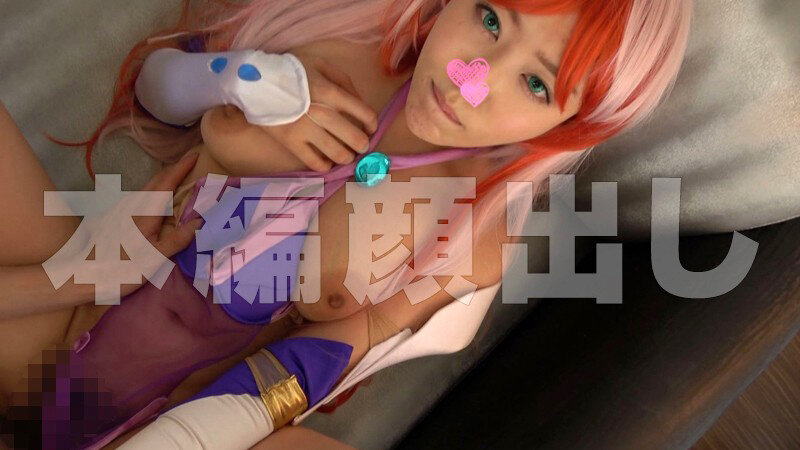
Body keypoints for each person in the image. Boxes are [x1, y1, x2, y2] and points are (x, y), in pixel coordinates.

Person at [0, 0, 693, 447]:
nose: (471, 78)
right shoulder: (343, 54)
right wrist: (233, 76)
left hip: (185, 416)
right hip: (58, 314)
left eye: (536, 84)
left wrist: (178, 440)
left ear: (568, 127)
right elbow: (159, 88)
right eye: (489, 18)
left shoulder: (472, 237)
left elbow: (309, 372)